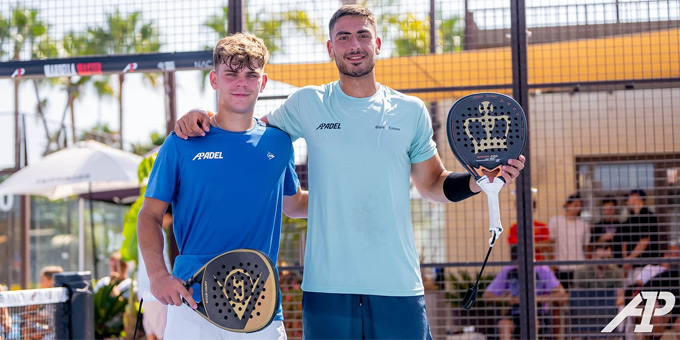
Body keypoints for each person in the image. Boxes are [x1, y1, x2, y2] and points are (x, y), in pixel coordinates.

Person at [173, 5, 526, 339]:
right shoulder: (307, 103)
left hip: (397, 284)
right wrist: (201, 115)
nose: (354, 44)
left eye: (362, 35)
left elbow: (433, 183)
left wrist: (479, 182)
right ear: (330, 48)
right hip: (326, 286)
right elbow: (245, 131)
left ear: (377, 44)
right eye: (343, 37)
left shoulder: (410, 111)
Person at [137, 32, 308, 340]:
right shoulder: (182, 141)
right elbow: (149, 215)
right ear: (215, 80)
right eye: (231, 74)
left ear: (263, 82)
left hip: (259, 306)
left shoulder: (279, 143)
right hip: (191, 303)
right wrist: (157, 275)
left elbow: (294, 204)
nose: (241, 83)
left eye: (250, 75)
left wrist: (350, 195)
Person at [482, 249, 567, 340]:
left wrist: (534, 298)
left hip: (537, 313)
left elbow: (562, 294)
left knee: (532, 325)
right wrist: (508, 299)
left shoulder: (542, 269)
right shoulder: (508, 270)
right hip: (515, 312)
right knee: (503, 325)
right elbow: (486, 296)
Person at [137, 206, 172, 340]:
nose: (170, 223)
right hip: (157, 291)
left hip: (145, 290)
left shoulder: (145, 234)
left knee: (151, 333)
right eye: (171, 219)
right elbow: (165, 263)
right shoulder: (158, 234)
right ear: (166, 215)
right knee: (163, 333)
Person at [548, 193, 590, 289]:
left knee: (580, 295)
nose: (577, 208)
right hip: (561, 266)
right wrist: (553, 262)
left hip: (579, 266)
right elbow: (551, 243)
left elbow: (586, 246)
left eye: (580, 206)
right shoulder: (556, 221)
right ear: (568, 204)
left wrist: (587, 265)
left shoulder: (583, 224)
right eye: (575, 205)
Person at [621, 189, 661, 284]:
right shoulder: (629, 219)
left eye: (630, 197)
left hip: (645, 266)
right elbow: (624, 241)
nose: (627, 200)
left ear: (636, 197)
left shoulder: (647, 216)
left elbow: (644, 240)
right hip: (631, 266)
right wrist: (626, 260)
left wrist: (629, 259)